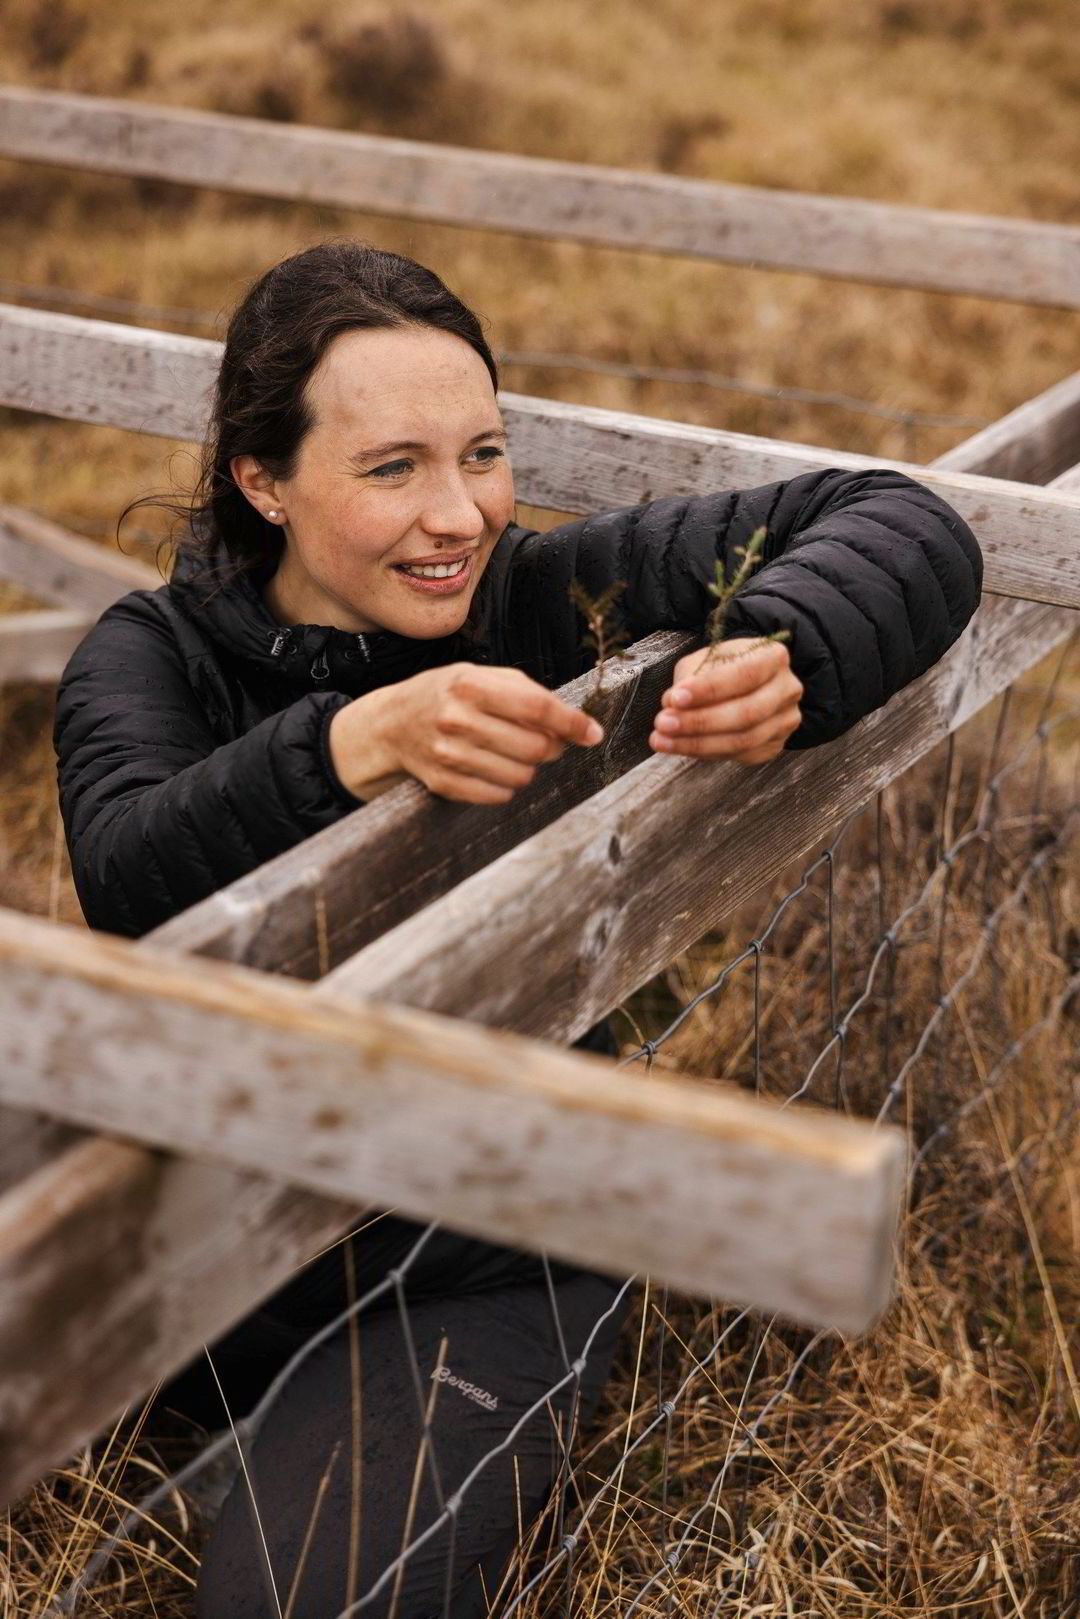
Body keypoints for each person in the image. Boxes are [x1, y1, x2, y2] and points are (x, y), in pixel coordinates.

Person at [53, 240, 983, 1617]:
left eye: (482, 454)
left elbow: (900, 519)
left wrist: (792, 645)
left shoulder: (544, 599)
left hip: (470, 1251)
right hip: (184, 1231)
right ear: (263, 481)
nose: (460, 515)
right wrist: (351, 745)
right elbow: (133, 877)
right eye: (391, 468)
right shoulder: (152, 655)